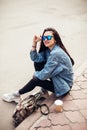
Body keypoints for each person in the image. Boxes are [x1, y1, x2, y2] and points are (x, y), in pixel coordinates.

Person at [2, 27, 74, 103]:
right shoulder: (49, 50)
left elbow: (43, 75)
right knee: (38, 63)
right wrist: (34, 43)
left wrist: (36, 76)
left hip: (63, 86)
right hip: (58, 79)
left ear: (55, 39)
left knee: (36, 79)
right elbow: (35, 58)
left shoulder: (56, 53)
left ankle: (16, 95)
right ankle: (44, 91)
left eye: (48, 37)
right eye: (44, 37)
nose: (45, 39)